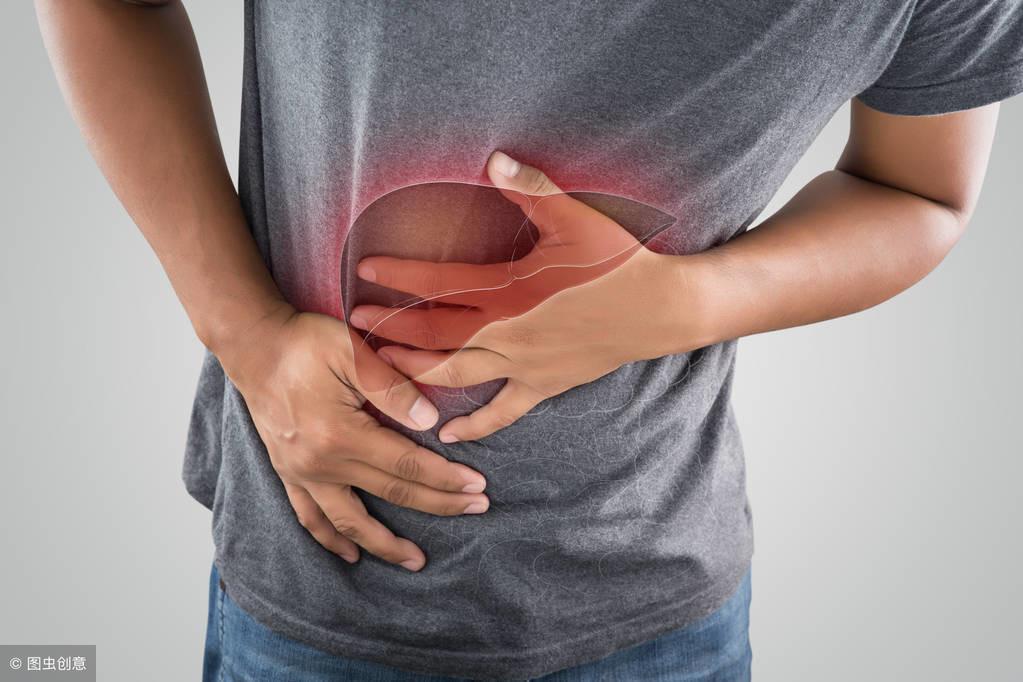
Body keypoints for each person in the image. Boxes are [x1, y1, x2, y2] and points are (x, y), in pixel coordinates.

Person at [35, 1, 1023, 680]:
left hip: (657, 607)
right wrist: (246, 332)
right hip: (322, 596)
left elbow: (919, 191)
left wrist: (684, 302)